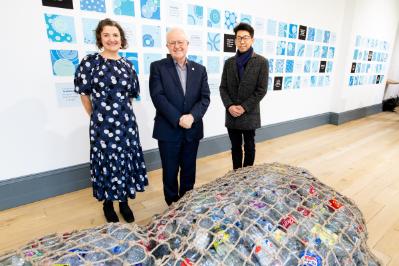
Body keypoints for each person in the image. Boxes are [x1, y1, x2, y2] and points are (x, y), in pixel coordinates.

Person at [74, 18, 148, 223]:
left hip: (126, 125)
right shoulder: (90, 63)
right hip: (102, 126)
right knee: (107, 162)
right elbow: (84, 94)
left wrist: (120, 115)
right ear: (100, 38)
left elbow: (131, 95)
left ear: (121, 39)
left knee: (124, 161)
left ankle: (124, 202)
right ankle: (108, 203)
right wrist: (96, 117)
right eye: (106, 35)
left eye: (115, 35)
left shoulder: (127, 65)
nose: (111, 39)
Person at [149, 28, 210, 206]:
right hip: (168, 129)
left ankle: (186, 205)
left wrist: (192, 116)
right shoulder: (158, 67)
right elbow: (158, 97)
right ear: (167, 46)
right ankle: (172, 207)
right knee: (170, 171)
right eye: (172, 43)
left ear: (187, 45)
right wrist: (178, 118)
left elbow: (205, 98)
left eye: (180, 42)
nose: (177, 46)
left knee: (189, 170)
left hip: (192, 129)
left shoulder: (200, 69)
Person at [219, 22, 269, 170]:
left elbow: (261, 89)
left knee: (249, 146)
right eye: (239, 38)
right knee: (235, 147)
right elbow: (223, 87)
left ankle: (247, 177)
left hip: (249, 113)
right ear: (235, 40)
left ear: (252, 40)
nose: (242, 41)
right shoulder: (229, 63)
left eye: (245, 37)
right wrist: (229, 106)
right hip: (232, 114)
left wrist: (244, 107)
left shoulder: (261, 62)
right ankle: (236, 176)